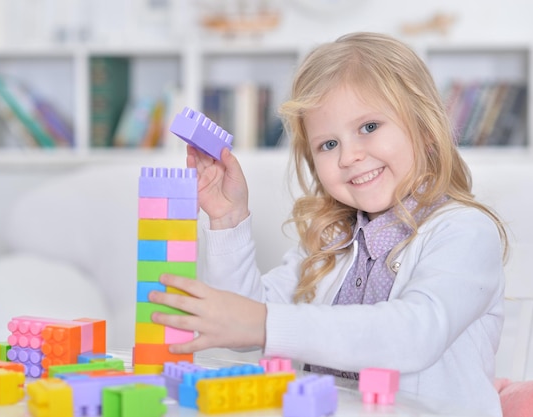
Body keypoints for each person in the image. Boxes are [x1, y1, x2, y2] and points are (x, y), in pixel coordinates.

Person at [149, 32, 508, 417]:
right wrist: (227, 218)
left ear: (425, 129)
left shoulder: (465, 232)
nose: (350, 156)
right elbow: (245, 322)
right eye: (328, 144)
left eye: (369, 127)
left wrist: (266, 324)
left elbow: (414, 335)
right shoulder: (330, 242)